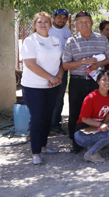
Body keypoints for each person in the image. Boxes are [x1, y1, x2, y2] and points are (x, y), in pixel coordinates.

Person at [63, 11, 109, 154]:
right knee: (76, 112)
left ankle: (98, 140)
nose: (84, 24)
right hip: (77, 82)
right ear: (76, 25)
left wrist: (98, 65)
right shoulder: (71, 42)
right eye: (80, 22)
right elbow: (66, 65)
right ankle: (76, 142)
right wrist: (82, 62)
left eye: (87, 21)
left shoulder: (101, 39)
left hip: (96, 82)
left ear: (91, 23)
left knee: (97, 112)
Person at [20, 12, 64, 165]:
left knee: (47, 117)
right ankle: (35, 152)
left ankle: (44, 146)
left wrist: (58, 76)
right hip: (33, 86)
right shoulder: (30, 41)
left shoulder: (56, 40)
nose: (43, 24)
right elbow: (30, 64)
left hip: (51, 86)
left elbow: (61, 62)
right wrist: (50, 78)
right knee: (37, 118)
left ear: (50, 25)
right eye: (40, 22)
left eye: (46, 21)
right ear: (35, 25)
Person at [73, 70, 109, 163]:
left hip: (96, 130)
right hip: (82, 133)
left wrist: (105, 123)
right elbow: (84, 119)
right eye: (104, 80)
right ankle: (90, 154)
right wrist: (100, 125)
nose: (107, 82)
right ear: (98, 81)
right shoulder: (90, 97)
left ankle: (95, 146)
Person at [48, 8, 72, 135]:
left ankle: (55, 124)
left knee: (59, 98)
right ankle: (43, 125)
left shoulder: (67, 32)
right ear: (54, 17)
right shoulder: (48, 30)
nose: (61, 20)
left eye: (64, 18)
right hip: (47, 69)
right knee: (45, 97)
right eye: (59, 17)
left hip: (62, 69)